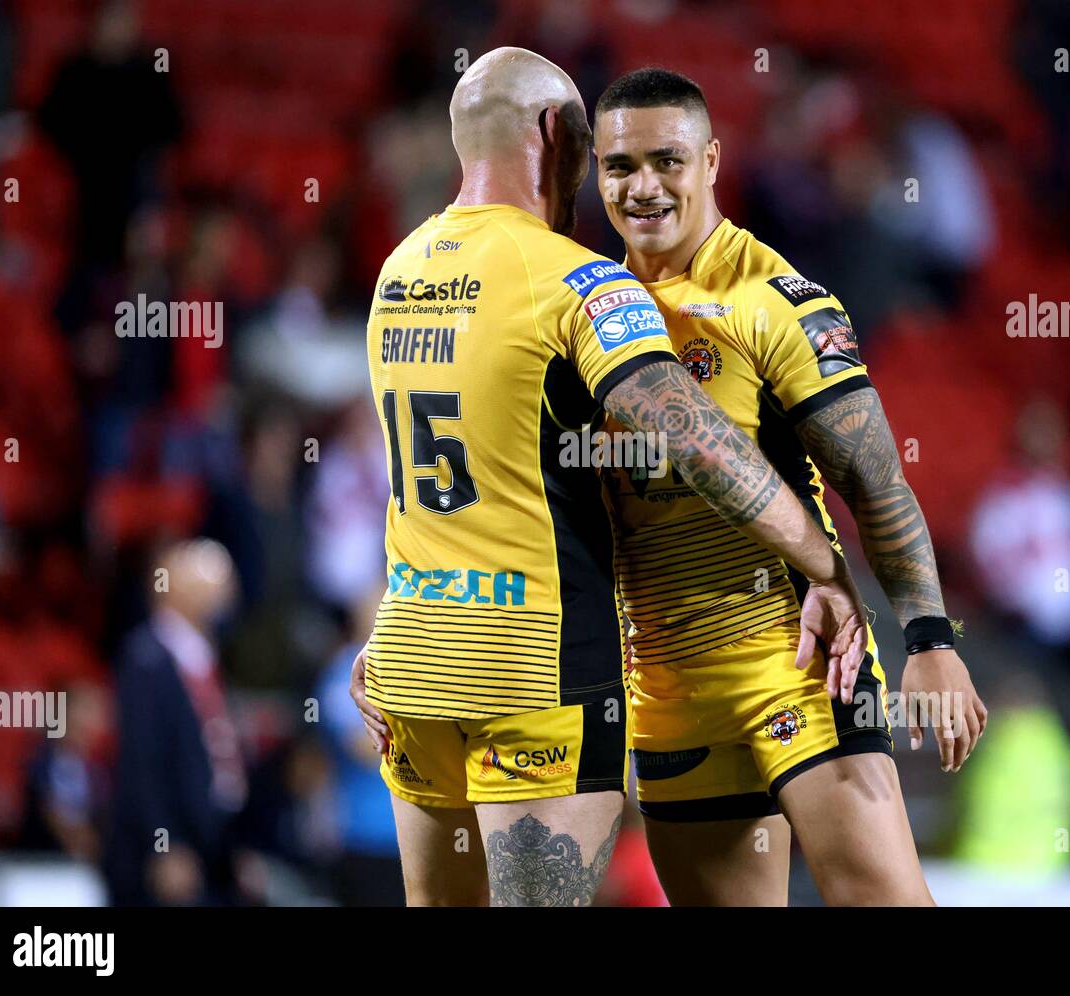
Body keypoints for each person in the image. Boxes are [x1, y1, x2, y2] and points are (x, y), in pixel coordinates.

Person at [347, 48, 871, 907]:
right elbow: (693, 437)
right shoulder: (580, 282)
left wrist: (390, 617)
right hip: (536, 668)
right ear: (555, 134)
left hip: (412, 662)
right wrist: (824, 562)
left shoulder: (397, 275)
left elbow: (432, 476)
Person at [591, 67, 988, 905]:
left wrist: (931, 639)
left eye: (668, 159)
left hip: (799, 663)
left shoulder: (775, 299)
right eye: (620, 166)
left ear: (711, 161)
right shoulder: (582, 310)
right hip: (663, 686)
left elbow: (873, 477)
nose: (644, 187)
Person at [105, 538, 246, 905]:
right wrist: (164, 845)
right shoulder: (146, 657)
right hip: (170, 846)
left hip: (214, 842)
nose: (224, 587)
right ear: (170, 586)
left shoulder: (206, 655)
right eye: (208, 575)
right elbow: (142, 761)